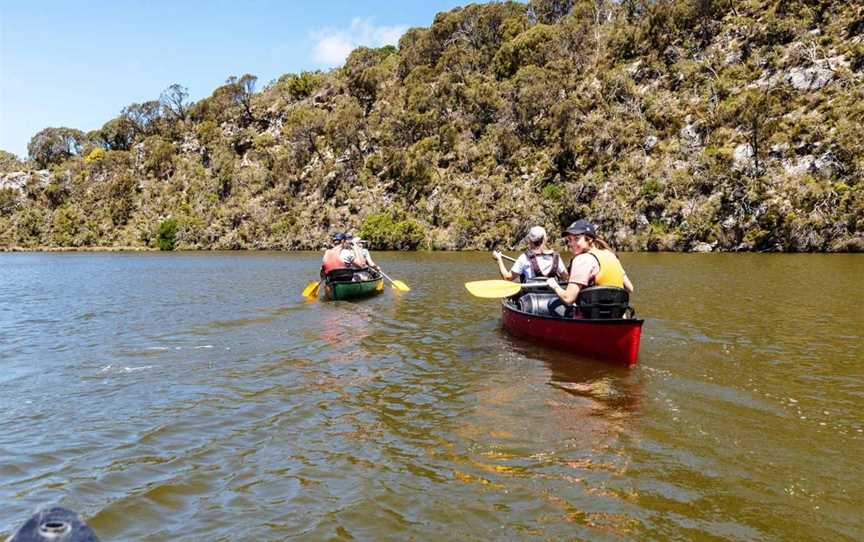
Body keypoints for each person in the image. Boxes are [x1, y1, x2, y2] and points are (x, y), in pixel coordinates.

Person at [546, 220, 634, 307]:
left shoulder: (582, 259)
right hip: (617, 315)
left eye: (577, 239)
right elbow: (629, 288)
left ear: (589, 239)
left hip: (591, 316)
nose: (571, 243)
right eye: (569, 239)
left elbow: (568, 298)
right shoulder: (611, 255)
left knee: (552, 304)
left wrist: (553, 285)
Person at [492, 226, 569, 283]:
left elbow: (507, 278)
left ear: (530, 240)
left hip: (531, 297)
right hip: (550, 296)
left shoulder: (524, 258)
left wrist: (499, 259)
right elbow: (566, 278)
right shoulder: (556, 257)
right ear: (545, 239)